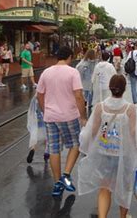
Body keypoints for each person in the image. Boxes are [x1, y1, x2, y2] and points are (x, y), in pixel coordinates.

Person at [78, 75, 137, 218]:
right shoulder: (130, 108)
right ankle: (123, 216)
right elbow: (135, 133)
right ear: (124, 89)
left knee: (105, 188)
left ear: (110, 88)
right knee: (125, 188)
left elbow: (93, 130)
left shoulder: (100, 107)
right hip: (124, 154)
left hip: (104, 152)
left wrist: (86, 144)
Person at [36, 46, 87, 197]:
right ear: (70, 57)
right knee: (76, 144)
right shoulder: (72, 72)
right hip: (69, 115)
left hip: (51, 116)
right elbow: (78, 95)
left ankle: (57, 183)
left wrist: (45, 110)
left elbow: (39, 95)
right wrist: (83, 116)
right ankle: (66, 174)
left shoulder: (46, 72)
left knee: (54, 148)